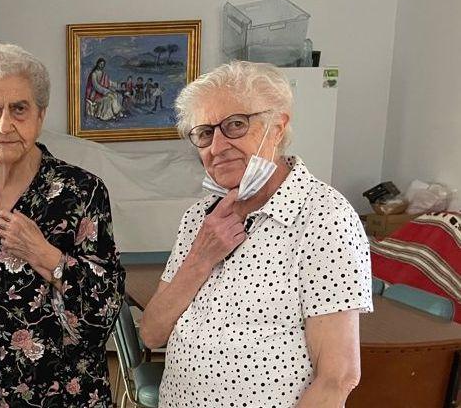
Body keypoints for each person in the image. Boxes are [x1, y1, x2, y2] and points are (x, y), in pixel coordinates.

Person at [140, 61, 373, 407]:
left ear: (277, 128)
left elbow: (337, 378)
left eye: (235, 125)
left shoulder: (324, 216)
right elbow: (151, 332)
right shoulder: (197, 218)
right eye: (204, 133)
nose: (216, 147)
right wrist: (200, 258)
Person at [0, 43, 125, 407]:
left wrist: (46, 256)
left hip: (57, 384)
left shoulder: (81, 191)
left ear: (40, 115)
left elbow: (107, 305)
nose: (5, 125)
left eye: (19, 109)